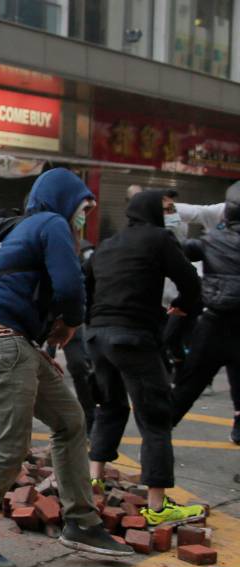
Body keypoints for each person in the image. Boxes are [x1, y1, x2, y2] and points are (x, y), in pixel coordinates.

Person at [0, 168, 134, 567]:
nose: (85, 215)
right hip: (2, 344)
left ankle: (81, 522)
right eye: (84, 206)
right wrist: (71, 323)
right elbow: (70, 287)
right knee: (10, 445)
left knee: (70, 422)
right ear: (65, 199)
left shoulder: (28, 227)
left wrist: (36, 346)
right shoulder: (51, 223)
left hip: (13, 343)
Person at [85, 189, 205, 523]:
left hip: (97, 335)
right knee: (155, 418)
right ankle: (156, 507)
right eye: (165, 210)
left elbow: (87, 286)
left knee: (109, 406)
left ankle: (94, 479)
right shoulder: (159, 238)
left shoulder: (107, 244)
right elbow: (190, 280)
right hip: (132, 337)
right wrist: (182, 307)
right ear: (155, 213)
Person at [172, 180, 240, 445]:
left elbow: (179, 253)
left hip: (214, 324)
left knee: (187, 387)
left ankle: (159, 437)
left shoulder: (211, 241)